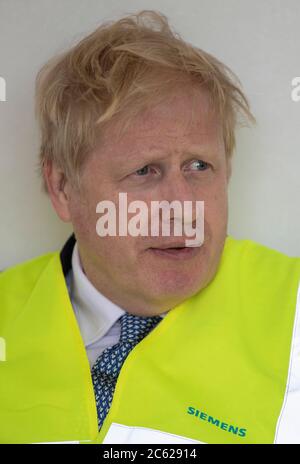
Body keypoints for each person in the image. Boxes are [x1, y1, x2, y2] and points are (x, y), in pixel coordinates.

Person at [0, 9, 299, 445]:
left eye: (200, 166)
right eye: (144, 171)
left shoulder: (292, 312)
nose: (183, 207)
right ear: (63, 187)